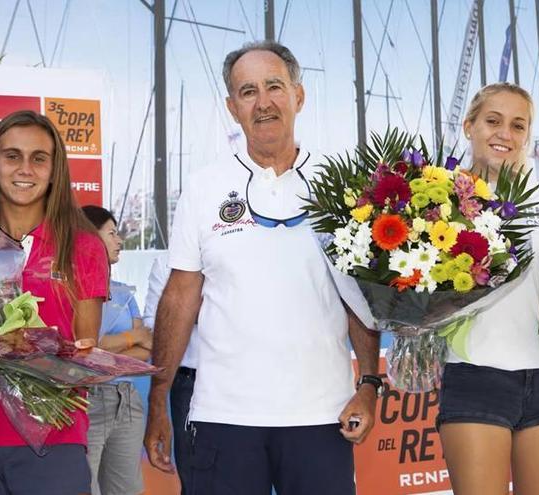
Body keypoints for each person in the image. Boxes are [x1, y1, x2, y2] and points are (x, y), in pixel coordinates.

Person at [143, 40, 381, 495]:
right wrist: (159, 400)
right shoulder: (203, 187)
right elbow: (180, 297)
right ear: (233, 108)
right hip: (222, 418)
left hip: (322, 416)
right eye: (247, 91)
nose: (263, 101)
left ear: (299, 96)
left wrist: (368, 384)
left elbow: (360, 298)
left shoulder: (343, 187)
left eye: (274, 86)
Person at [0, 110, 109, 494]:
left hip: (54, 443)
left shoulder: (84, 246)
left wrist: (25, 347)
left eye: (38, 158)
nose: (24, 169)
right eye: (12, 156)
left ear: (54, 170)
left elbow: (85, 355)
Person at [436, 83, 539, 495]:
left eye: (518, 125)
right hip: (474, 376)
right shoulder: (435, 202)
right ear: (469, 126)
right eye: (493, 121)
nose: (505, 133)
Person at [81, 205, 151, 495]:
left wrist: (106, 346)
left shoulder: (125, 291)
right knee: (84, 486)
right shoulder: (73, 288)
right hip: (86, 401)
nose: (120, 240)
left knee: (127, 489)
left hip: (127, 399)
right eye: (111, 233)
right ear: (87, 237)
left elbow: (146, 348)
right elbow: (84, 346)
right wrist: (129, 337)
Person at [142, 253, 199, 495]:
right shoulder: (168, 262)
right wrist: (183, 311)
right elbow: (154, 325)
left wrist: (186, 314)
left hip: (245, 378)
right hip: (189, 382)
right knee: (195, 478)